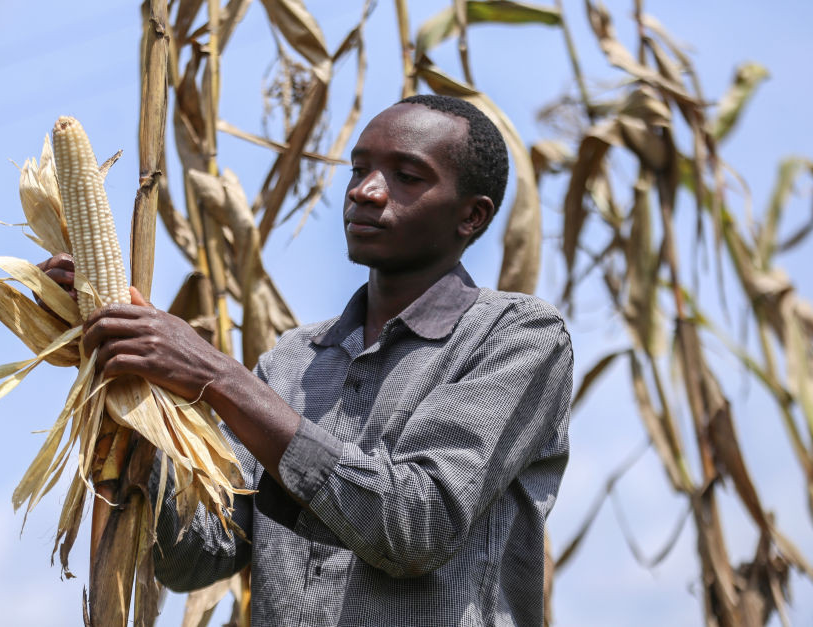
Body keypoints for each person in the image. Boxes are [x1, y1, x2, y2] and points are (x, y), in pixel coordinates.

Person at [44, 94, 573, 626]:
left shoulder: (518, 337)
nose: (365, 192)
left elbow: (416, 525)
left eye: (407, 176)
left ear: (471, 215)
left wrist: (215, 374)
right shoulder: (293, 362)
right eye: (360, 169)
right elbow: (197, 557)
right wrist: (136, 393)